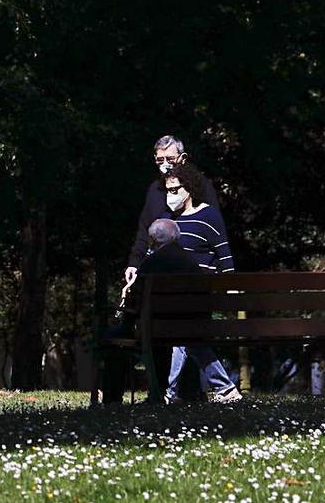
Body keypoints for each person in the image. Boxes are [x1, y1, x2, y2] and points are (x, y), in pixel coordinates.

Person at [160, 163, 242, 403]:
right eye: (168, 190)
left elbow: (224, 254)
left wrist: (228, 288)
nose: (171, 195)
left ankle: (221, 389)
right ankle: (217, 390)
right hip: (174, 298)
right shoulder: (168, 219)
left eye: (175, 190)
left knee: (183, 336)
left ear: (190, 189)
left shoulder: (208, 216)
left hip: (199, 296)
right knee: (184, 338)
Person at [101, 219, 201, 405]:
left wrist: (127, 321)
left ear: (153, 240)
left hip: (155, 330)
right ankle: (185, 393)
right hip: (191, 328)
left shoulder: (151, 263)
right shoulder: (191, 263)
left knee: (114, 339)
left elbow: (135, 303)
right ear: (176, 238)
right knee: (161, 340)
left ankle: (112, 399)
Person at [124, 135, 220, 289]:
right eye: (160, 160)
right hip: (160, 273)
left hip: (196, 273)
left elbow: (216, 232)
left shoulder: (202, 187)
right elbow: (144, 231)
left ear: (182, 158)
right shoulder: (155, 190)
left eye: (170, 159)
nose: (165, 164)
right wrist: (134, 263)